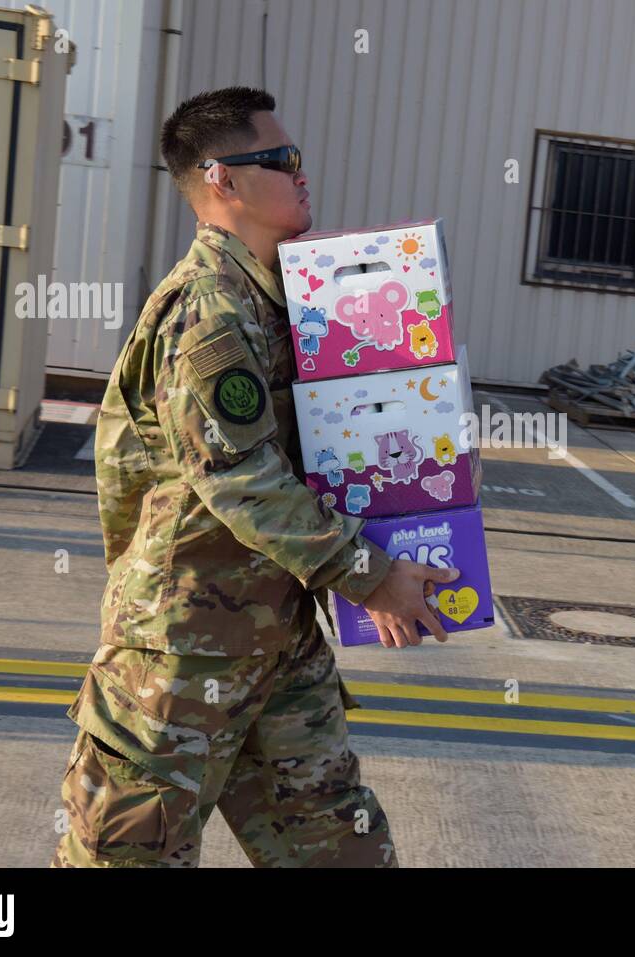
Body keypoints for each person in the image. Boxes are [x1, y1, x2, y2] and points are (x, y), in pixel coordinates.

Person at [51, 86, 457, 868]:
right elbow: (240, 477)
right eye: (282, 161)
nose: (303, 175)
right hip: (182, 653)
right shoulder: (209, 313)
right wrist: (367, 575)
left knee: (343, 851)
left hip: (277, 642)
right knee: (126, 858)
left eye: (299, 159)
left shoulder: (289, 304)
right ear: (221, 180)